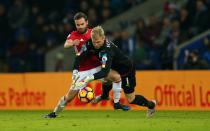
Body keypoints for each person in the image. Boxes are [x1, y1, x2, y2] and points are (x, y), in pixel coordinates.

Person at [45, 12, 130, 118]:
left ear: (87, 22)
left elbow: (104, 43)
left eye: (82, 24)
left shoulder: (93, 33)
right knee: (69, 97)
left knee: (116, 77)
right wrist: (72, 43)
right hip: (82, 70)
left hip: (97, 66)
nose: (80, 26)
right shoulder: (73, 35)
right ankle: (54, 113)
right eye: (77, 25)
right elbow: (66, 45)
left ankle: (115, 102)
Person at [73, 26, 157, 117]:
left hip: (126, 70)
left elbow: (104, 71)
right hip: (113, 67)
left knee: (131, 99)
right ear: (91, 39)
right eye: (94, 42)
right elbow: (79, 56)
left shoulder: (107, 50)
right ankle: (106, 96)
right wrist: (75, 71)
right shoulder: (89, 43)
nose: (96, 44)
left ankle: (151, 105)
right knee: (107, 78)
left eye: (98, 42)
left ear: (103, 38)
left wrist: (88, 78)